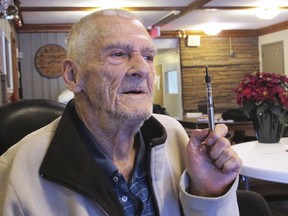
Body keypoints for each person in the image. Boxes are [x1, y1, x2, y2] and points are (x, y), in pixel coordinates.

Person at [0, 9, 242, 216]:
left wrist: (207, 194)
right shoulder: (17, 170)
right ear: (73, 75)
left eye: (148, 56)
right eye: (117, 54)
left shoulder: (175, 137)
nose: (142, 69)